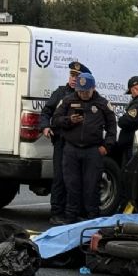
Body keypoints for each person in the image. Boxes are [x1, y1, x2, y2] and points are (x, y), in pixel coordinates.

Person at [51, 73, 117, 223]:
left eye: (86, 91)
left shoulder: (102, 103)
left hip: (93, 150)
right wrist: (69, 120)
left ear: (93, 88)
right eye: (80, 91)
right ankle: (71, 218)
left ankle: (92, 219)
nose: (83, 94)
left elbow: (112, 127)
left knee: (91, 186)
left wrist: (106, 146)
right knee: (71, 185)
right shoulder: (68, 100)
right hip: (71, 149)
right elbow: (55, 120)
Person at [41, 61, 91, 225]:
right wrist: (45, 127)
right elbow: (47, 111)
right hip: (62, 142)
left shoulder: (86, 96)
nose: (74, 79)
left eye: (77, 76)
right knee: (60, 178)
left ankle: (75, 213)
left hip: (79, 143)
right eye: (72, 75)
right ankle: (57, 213)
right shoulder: (60, 93)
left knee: (77, 179)